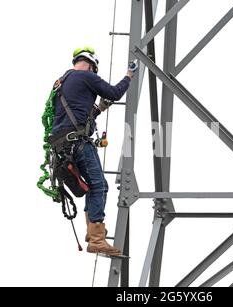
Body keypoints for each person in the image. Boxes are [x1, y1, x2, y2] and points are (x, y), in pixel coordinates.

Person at [51, 46, 138, 256]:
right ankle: (97, 238)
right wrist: (129, 75)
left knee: (96, 186)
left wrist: (98, 109)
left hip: (62, 145)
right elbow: (115, 92)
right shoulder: (87, 76)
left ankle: (93, 233)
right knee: (99, 186)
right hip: (78, 144)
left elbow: (74, 114)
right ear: (91, 65)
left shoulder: (61, 83)